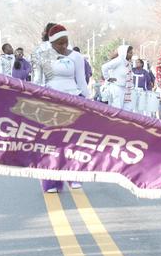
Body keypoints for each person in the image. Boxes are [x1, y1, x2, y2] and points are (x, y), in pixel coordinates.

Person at [31, 23, 89, 193]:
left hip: (74, 100)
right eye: (59, 43)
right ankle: (51, 182)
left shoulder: (77, 57)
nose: (63, 46)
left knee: (74, 142)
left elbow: (82, 81)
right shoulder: (41, 55)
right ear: (52, 43)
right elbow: (36, 80)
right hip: (51, 101)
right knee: (52, 143)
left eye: (66, 42)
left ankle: (74, 177)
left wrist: (88, 102)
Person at [101, 44, 135, 111]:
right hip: (117, 89)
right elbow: (104, 67)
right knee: (117, 110)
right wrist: (108, 78)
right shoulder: (119, 60)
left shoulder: (128, 64)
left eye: (132, 53)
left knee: (127, 110)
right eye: (130, 53)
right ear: (124, 53)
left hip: (126, 89)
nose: (131, 55)